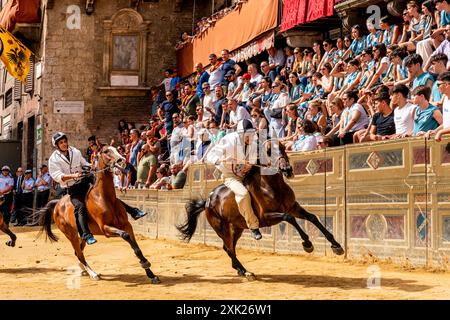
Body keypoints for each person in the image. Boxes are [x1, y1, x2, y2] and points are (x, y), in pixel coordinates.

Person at [48, 132, 148, 245]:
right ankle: (86, 235)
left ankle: (133, 211)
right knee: (79, 207)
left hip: (85, 181)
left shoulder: (74, 151)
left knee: (106, 197)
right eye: (61, 143)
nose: (64, 144)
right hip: (73, 188)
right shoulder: (53, 159)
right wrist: (73, 176)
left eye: (65, 141)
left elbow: (83, 163)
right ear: (56, 145)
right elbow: (57, 176)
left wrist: (91, 167)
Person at [206, 119, 262, 240]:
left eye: (252, 134)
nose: (250, 137)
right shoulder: (229, 140)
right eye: (248, 135)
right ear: (240, 134)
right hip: (230, 176)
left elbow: (251, 161)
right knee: (243, 194)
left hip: (247, 173)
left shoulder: (254, 140)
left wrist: (249, 164)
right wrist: (220, 159)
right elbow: (211, 155)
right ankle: (253, 226)